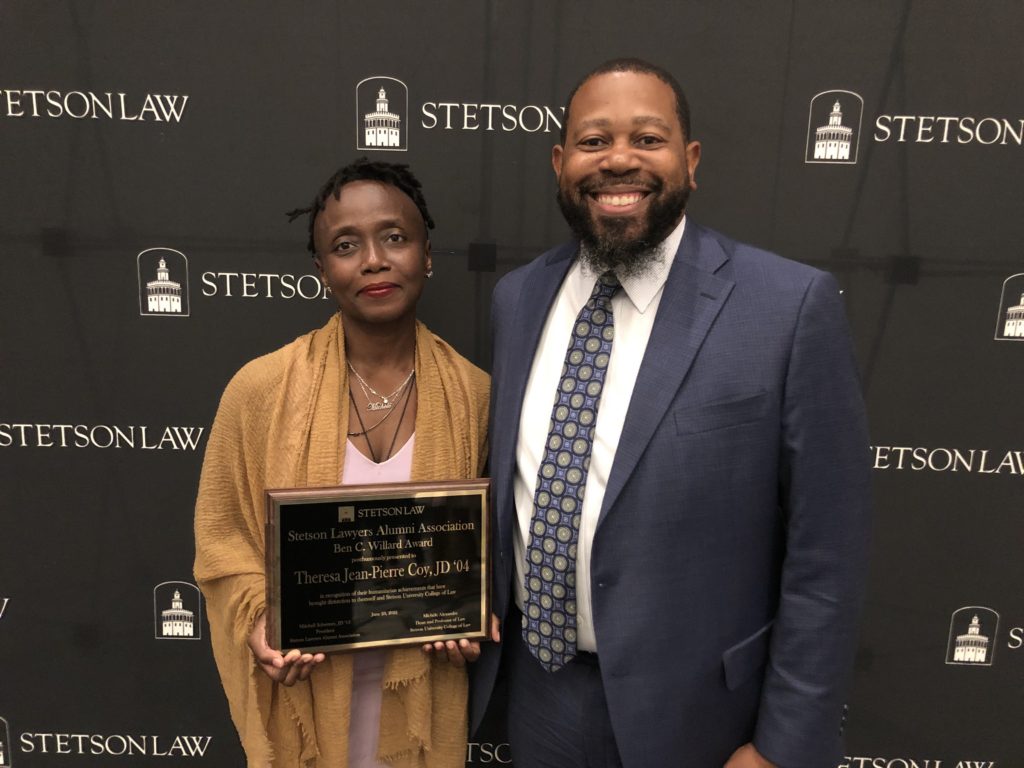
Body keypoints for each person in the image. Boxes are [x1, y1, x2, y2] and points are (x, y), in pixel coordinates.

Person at [470, 58, 871, 768]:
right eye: (594, 142)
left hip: (704, 717)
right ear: (561, 163)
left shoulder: (789, 306)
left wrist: (784, 747)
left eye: (646, 139)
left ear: (689, 160)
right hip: (540, 695)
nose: (618, 159)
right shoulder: (518, 299)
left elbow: (827, 556)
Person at [194, 158, 490, 768]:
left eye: (395, 237)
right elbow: (223, 541)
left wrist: (474, 609)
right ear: (322, 270)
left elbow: (498, 544)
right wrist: (258, 621)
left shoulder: (478, 397)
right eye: (346, 245)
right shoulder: (260, 391)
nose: (374, 260)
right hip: (308, 702)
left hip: (422, 705)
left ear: (427, 254)